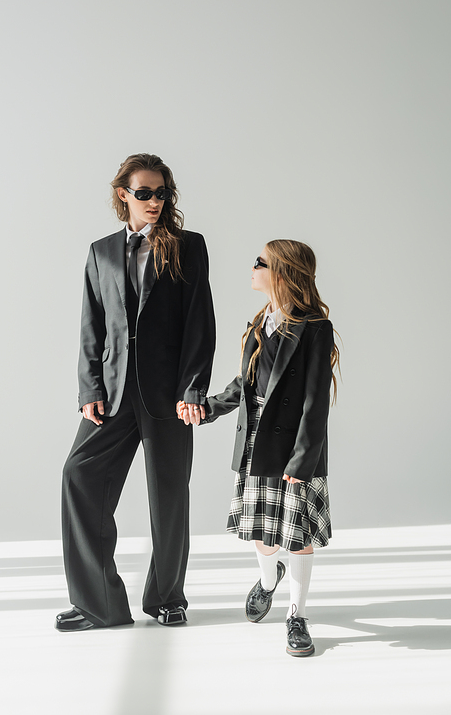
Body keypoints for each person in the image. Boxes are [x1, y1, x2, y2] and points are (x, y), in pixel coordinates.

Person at [56, 153, 216, 632]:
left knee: (169, 496)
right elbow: (92, 326)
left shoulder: (188, 246)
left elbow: (199, 325)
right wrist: (90, 387)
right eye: (144, 193)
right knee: (78, 476)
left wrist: (193, 388)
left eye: (161, 193)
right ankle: (99, 603)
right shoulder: (101, 251)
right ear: (123, 193)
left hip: (169, 395)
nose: (154, 201)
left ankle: (168, 598)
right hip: (112, 392)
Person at [179, 239, 339, 656]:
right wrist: (207, 408)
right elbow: (245, 387)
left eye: (260, 263)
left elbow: (316, 399)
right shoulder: (257, 325)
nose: (252, 268)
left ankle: (296, 616)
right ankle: (269, 579)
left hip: (298, 442)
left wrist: (303, 459)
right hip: (255, 439)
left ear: (281, 273)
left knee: (297, 533)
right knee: (263, 532)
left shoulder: (315, 326)